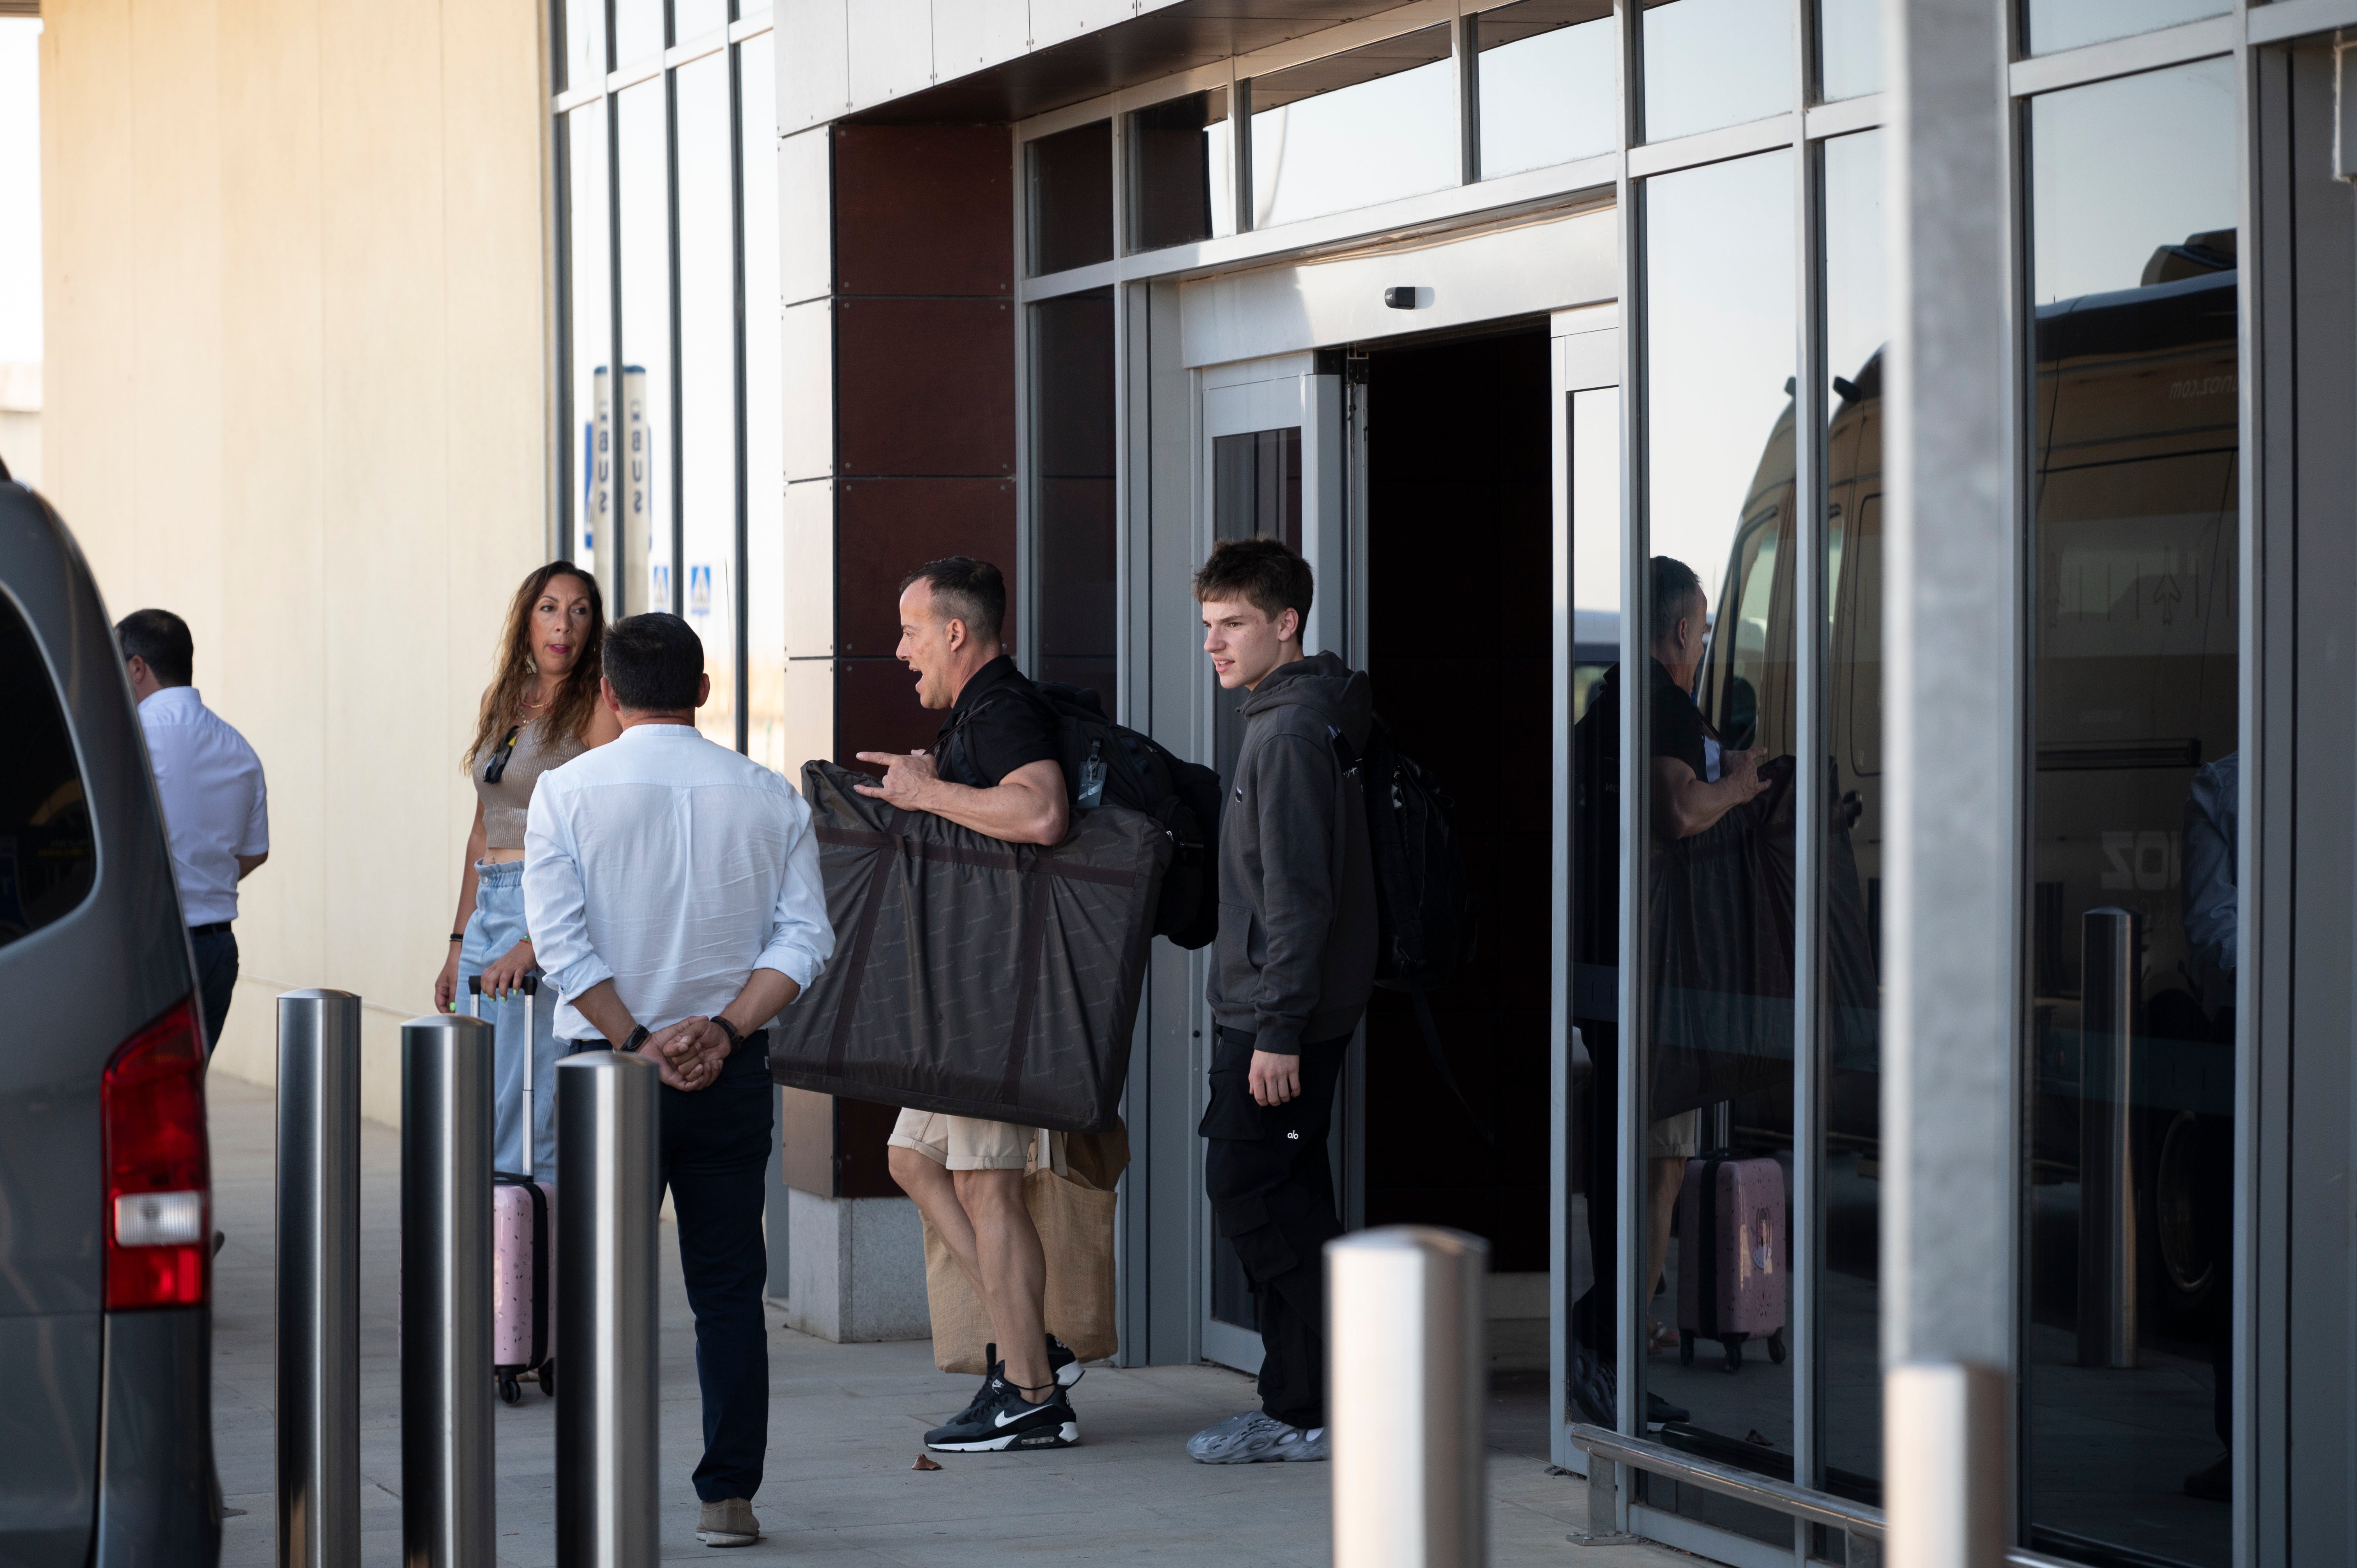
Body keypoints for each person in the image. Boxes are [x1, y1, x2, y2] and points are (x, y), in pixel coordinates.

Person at [522, 612, 833, 1548]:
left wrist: (639, 1040)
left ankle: (598, 1477)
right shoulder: (768, 794)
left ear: (608, 694)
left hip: (605, 1073)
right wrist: (727, 1028)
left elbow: (563, 944)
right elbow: (807, 939)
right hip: (730, 1070)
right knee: (731, 1288)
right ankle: (727, 1495)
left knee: (599, 1288)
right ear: (704, 690)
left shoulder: (564, 793)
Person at [861, 556, 1084, 1454]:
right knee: (913, 1156)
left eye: (912, 630)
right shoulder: (978, 716)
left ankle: (1028, 1387)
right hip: (972, 991)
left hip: (999, 991)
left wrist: (926, 790)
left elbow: (1041, 814)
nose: (902, 648)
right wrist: (935, 782)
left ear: (957, 632)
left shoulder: (1003, 708)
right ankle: (1031, 1342)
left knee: (988, 1183)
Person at [1184, 536, 1374, 1466]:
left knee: (1248, 1188)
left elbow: (1301, 897)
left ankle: (1364, 1374)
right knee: (1285, 1190)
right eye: (1208, 625)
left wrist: (1278, 1029)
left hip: (1277, 1020)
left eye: (1233, 624)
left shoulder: (1293, 730)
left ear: (1285, 622)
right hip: (1274, 1012)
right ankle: (1302, 1404)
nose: (1214, 643)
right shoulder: (1287, 714)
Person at [435, 562, 621, 1181]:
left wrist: (540, 939)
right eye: (549, 607)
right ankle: (494, 1250)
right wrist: (459, 942)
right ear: (526, 618)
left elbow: (603, 836)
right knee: (476, 1092)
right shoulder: (502, 699)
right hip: (490, 906)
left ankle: (530, 1256)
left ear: (594, 626)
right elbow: (483, 828)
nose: (563, 625)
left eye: (579, 610)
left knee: (528, 1097)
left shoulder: (597, 703)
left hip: (544, 901)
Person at [118, 608, 269, 1056]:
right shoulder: (239, 748)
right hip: (215, 953)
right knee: (181, 1099)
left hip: (148, 947)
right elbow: (254, 853)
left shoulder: (128, 738)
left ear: (138, 667)